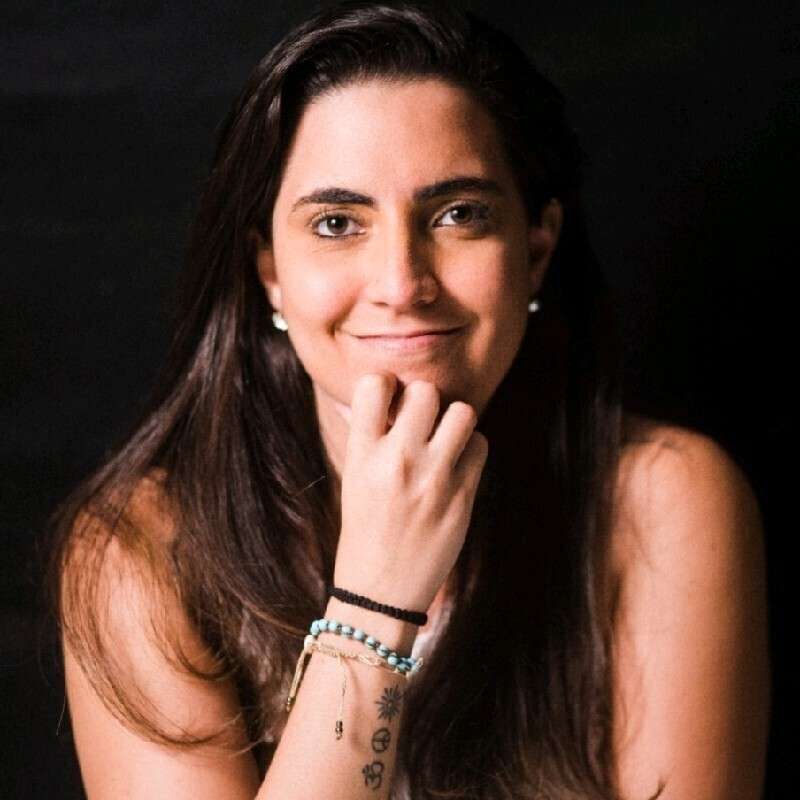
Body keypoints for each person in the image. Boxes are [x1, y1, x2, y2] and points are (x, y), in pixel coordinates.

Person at [46, 1, 770, 798]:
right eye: (336, 223)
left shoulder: (661, 500)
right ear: (270, 272)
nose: (402, 283)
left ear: (536, 250)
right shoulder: (139, 550)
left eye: (459, 215)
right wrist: (374, 598)